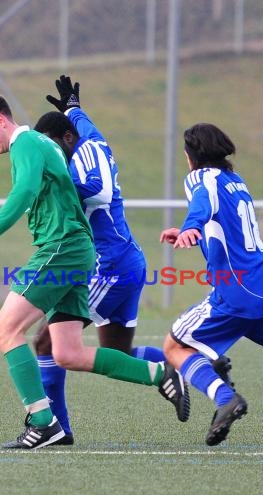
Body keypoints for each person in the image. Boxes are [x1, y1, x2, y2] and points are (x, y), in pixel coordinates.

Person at [0, 92, 189, 450]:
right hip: (75, 249)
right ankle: (161, 373)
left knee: (5, 330)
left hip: (61, 249)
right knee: (66, 353)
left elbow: (23, 190)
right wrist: (75, 111)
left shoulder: (26, 143)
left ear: (1, 121)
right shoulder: (42, 145)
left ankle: (43, 423)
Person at [31, 75, 191, 444]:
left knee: (46, 345)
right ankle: (192, 367)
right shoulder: (86, 137)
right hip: (126, 261)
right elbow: (81, 122)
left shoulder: (83, 155)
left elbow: (99, 191)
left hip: (109, 266)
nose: (52, 156)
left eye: (54, 147)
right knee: (115, 352)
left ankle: (56, 430)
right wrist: (73, 105)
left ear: (68, 139)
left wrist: (55, 187)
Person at [160, 122, 263, 446]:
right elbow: (224, 222)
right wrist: (192, 230)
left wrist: (192, 224)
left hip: (239, 290)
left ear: (192, 157)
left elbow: (202, 202)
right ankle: (217, 361)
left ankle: (224, 397)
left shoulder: (200, 177)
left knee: (174, 347)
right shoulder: (236, 181)